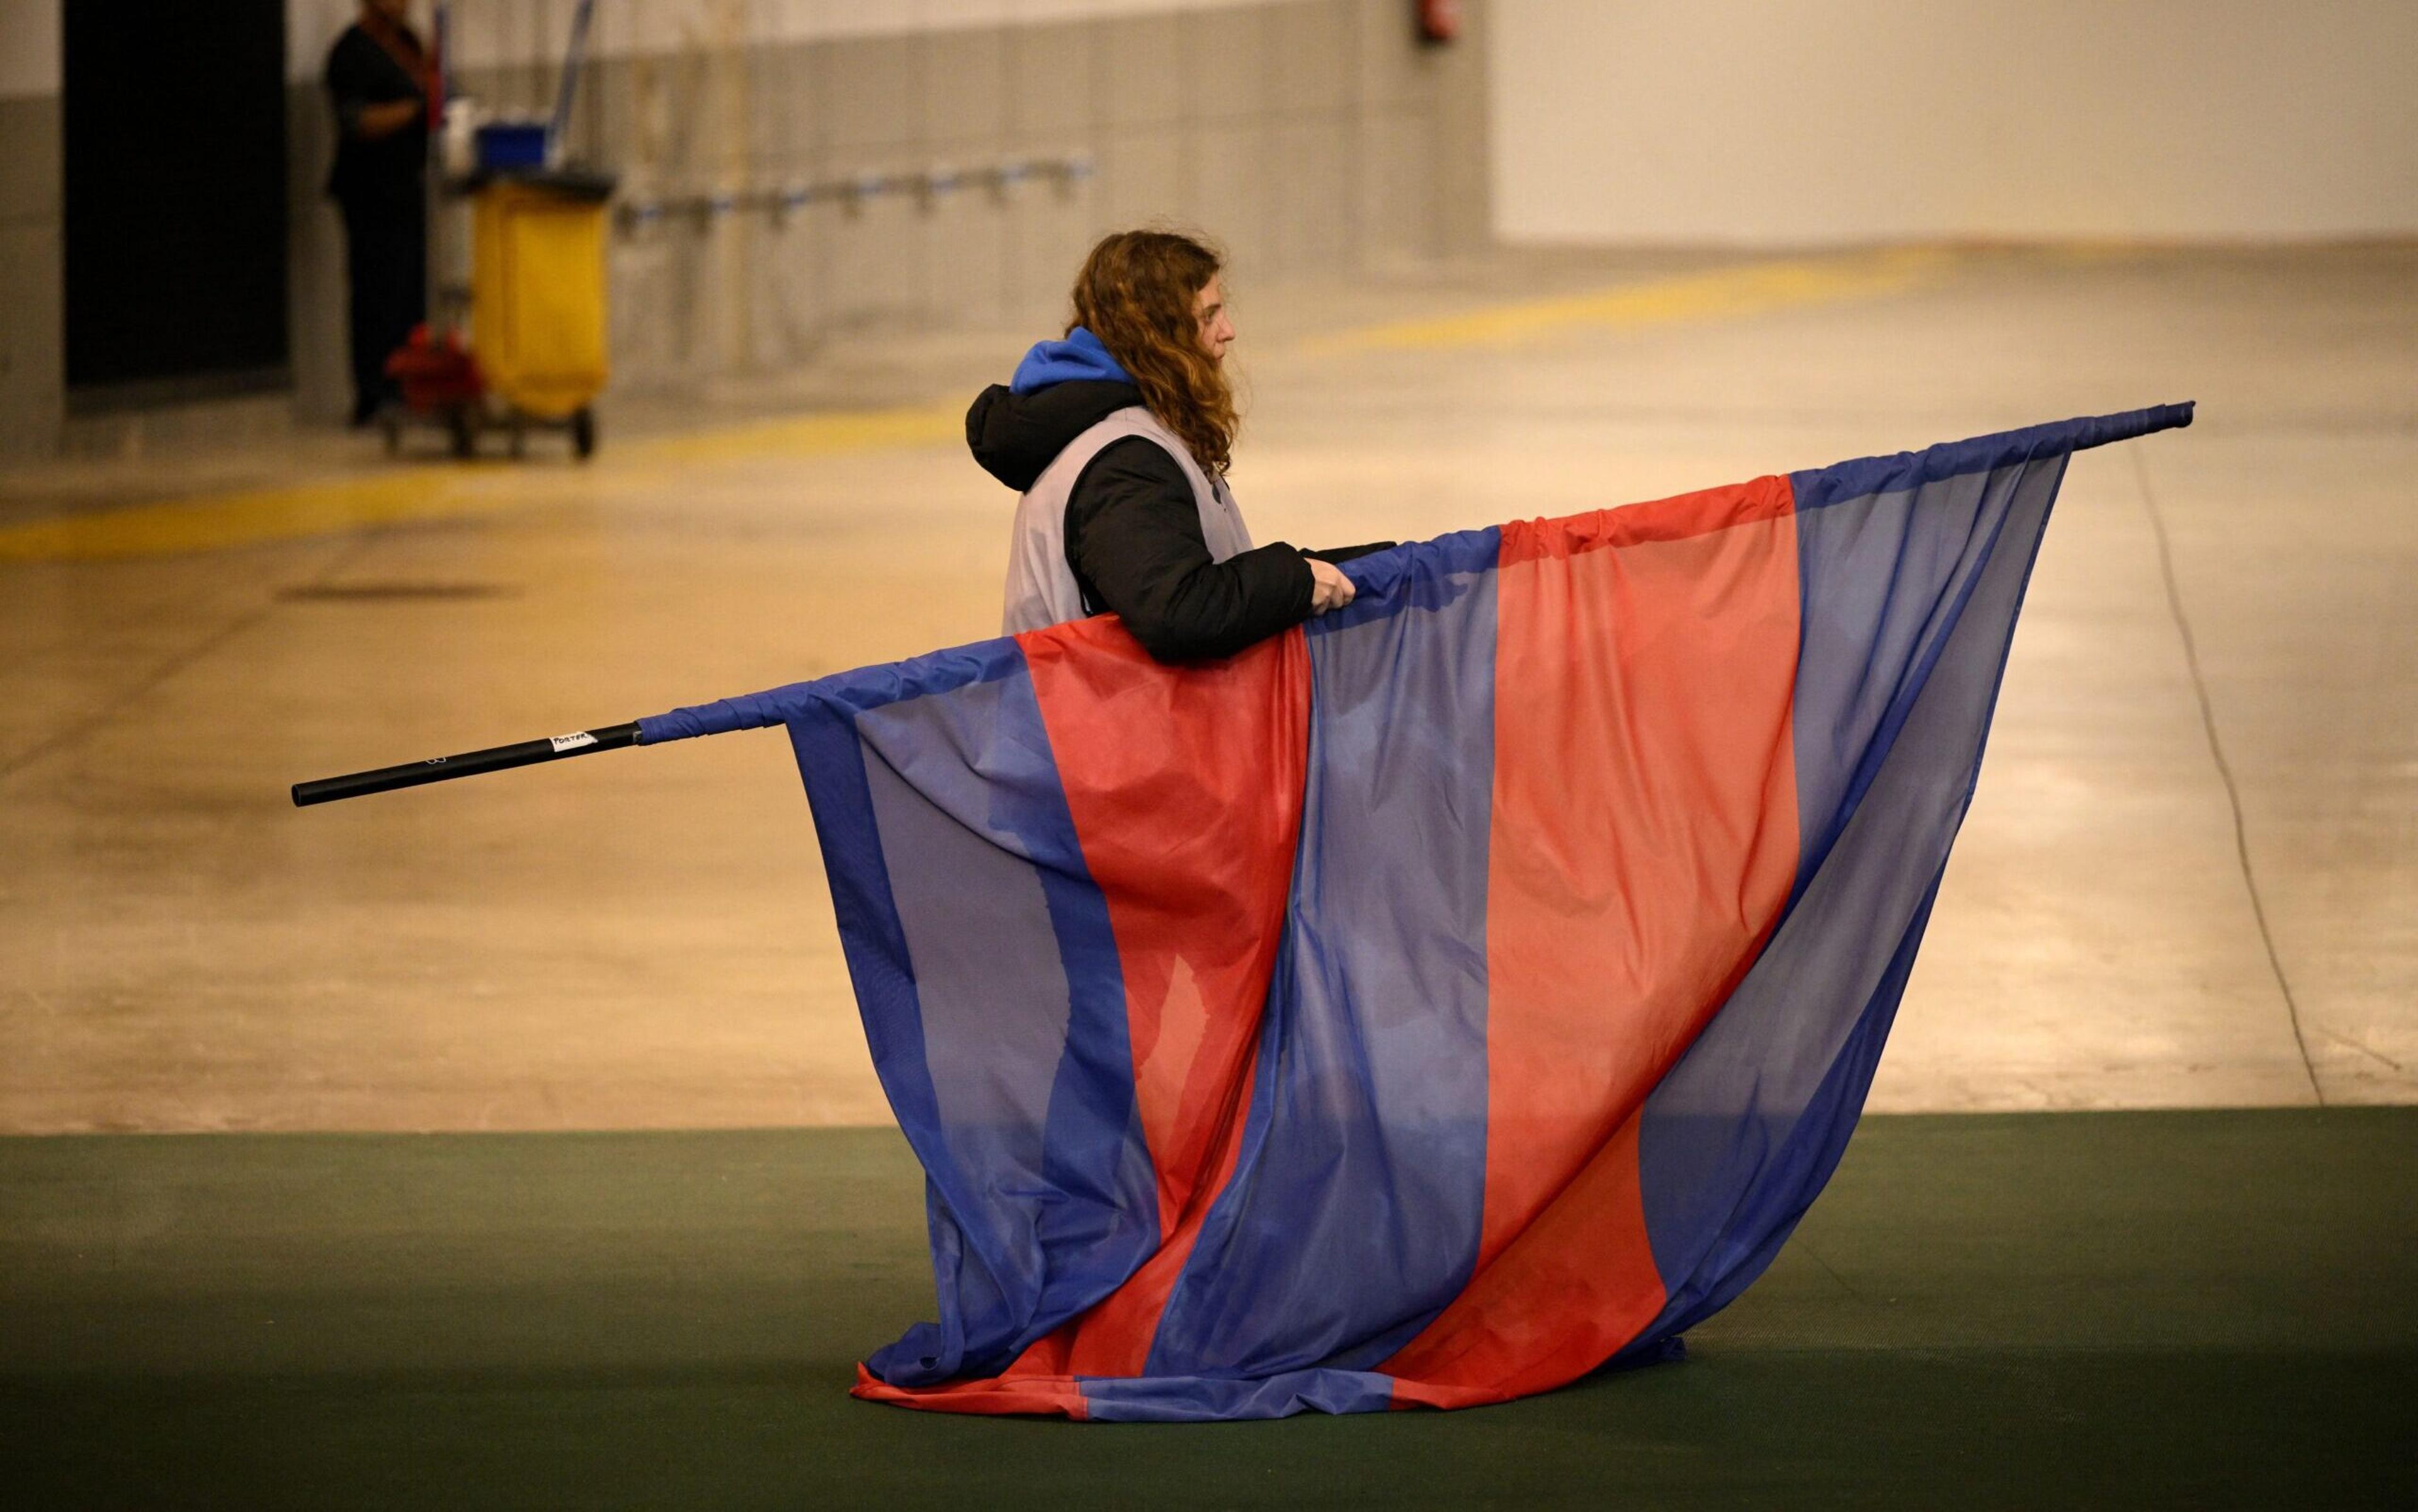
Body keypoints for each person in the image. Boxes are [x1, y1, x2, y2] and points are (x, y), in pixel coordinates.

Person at [970, 230, 1388, 661]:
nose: (1228, 331)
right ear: (1158, 337)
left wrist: (1370, 568)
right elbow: (1178, 612)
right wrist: (1293, 581)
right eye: (1208, 317)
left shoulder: (1138, 431)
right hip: (1085, 724)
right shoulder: (1121, 459)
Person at [324, 0, 432, 426]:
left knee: (409, 293)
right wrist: (411, 111)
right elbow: (356, 122)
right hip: (370, 193)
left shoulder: (408, 43)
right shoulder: (350, 53)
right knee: (376, 295)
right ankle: (374, 393)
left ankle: (412, 384)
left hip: (409, 187)